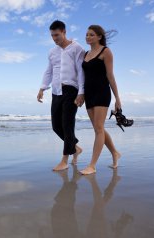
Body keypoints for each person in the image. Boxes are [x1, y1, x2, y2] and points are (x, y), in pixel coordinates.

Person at [37, 20, 85, 171]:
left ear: (64, 32)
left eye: (57, 35)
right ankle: (75, 148)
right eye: (52, 36)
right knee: (56, 126)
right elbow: (49, 71)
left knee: (67, 124)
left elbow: (81, 71)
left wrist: (82, 92)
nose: (54, 38)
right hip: (56, 91)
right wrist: (42, 88)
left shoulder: (77, 48)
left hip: (71, 90)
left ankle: (64, 160)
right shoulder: (52, 52)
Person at [79, 25, 122, 175]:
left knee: (98, 128)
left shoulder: (106, 52)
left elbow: (110, 76)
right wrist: (81, 93)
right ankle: (115, 153)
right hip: (89, 94)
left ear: (99, 37)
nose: (88, 37)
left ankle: (92, 165)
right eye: (86, 34)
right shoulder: (85, 54)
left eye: (91, 35)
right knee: (99, 128)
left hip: (102, 92)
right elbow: (82, 77)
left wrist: (117, 98)